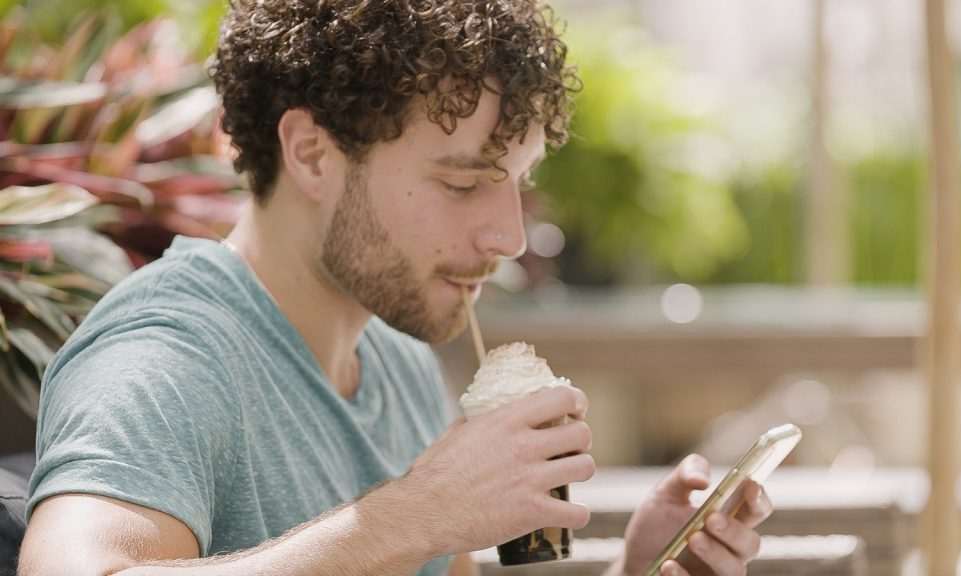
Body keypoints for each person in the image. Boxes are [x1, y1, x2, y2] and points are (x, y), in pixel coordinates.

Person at [17, 1, 772, 575]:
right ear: (312, 154)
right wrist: (418, 513)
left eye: (518, 183)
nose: (509, 236)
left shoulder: (401, 361)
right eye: (465, 182)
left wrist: (635, 568)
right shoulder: (165, 359)